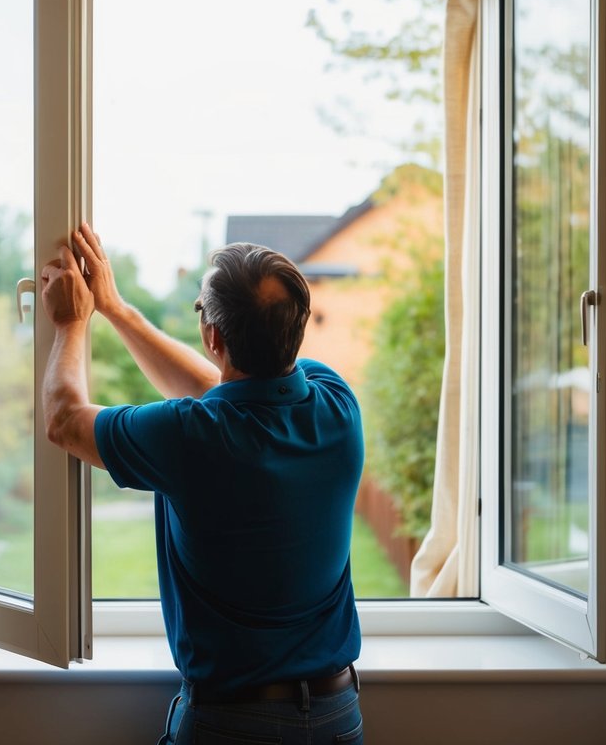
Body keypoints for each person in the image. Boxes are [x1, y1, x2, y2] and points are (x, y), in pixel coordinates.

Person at [39, 222, 365, 745]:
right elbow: (218, 387)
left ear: (212, 336)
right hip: (336, 718)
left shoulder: (190, 438)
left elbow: (65, 421)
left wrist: (71, 322)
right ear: (296, 328)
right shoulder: (336, 403)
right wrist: (117, 309)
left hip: (232, 726)